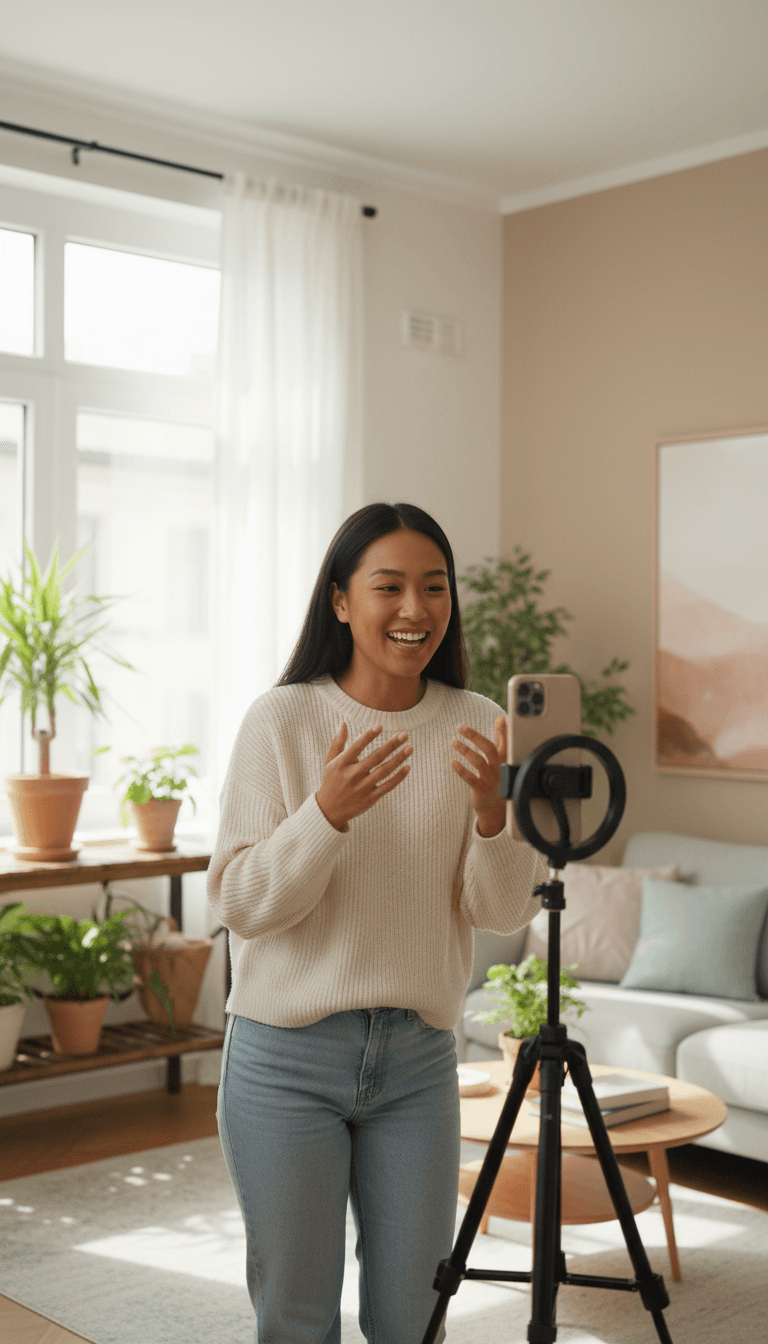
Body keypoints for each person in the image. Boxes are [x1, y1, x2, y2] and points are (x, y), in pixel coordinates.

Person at [208, 501, 544, 1344]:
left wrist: (495, 818)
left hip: (418, 1062)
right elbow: (241, 901)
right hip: (286, 1058)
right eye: (388, 586)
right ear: (340, 600)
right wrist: (325, 814)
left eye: (435, 587)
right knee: (297, 1315)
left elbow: (502, 912)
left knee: (413, 1317)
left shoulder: (478, 724)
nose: (415, 609)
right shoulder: (282, 720)